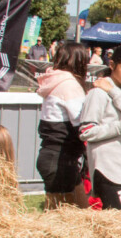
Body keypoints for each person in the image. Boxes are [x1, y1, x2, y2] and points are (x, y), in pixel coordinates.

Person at [78, 45, 121, 210]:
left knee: (119, 222)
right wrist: (119, 126)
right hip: (108, 168)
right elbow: (86, 132)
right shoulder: (98, 94)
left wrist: (115, 92)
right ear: (112, 64)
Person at [35, 41, 89, 210]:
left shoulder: (56, 82)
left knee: (82, 214)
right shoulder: (69, 85)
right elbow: (82, 122)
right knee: (62, 220)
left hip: (56, 157)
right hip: (60, 160)